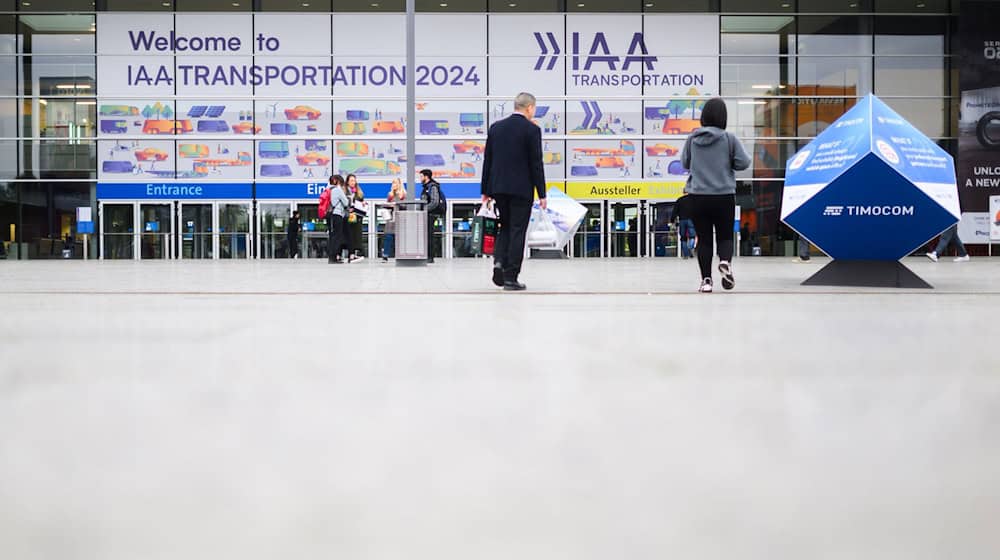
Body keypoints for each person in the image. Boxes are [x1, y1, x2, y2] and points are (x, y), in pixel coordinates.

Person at [681, 97, 751, 293]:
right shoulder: (729, 139)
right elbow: (744, 163)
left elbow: (685, 163)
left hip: (698, 196)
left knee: (704, 240)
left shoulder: (692, 139)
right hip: (723, 195)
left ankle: (706, 281)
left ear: (703, 116)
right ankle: (725, 262)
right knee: (725, 236)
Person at [480, 92, 547, 291]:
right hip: (521, 189)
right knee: (518, 230)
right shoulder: (532, 130)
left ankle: (499, 261)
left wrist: (485, 190)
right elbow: (536, 163)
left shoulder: (496, 128)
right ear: (530, 108)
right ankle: (511, 276)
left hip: (498, 187)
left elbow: (488, 160)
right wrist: (542, 193)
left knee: (505, 227)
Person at [419, 169, 445, 263]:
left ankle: (430, 256)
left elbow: (434, 202)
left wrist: (424, 210)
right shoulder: (426, 187)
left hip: (431, 214)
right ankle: (427, 255)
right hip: (428, 213)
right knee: (426, 235)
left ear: (426, 177)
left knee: (429, 235)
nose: (420, 178)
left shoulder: (432, 187)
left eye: (421, 176)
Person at [325, 175, 350, 264]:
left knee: (332, 236)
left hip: (329, 215)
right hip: (337, 214)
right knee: (337, 236)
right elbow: (346, 202)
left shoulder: (327, 189)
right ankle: (333, 257)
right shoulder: (337, 190)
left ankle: (331, 257)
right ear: (338, 182)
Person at [382, 178, 406, 262]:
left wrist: (397, 205)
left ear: (399, 184)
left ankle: (401, 254)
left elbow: (405, 206)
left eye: (395, 183)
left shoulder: (403, 194)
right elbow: (387, 204)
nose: (393, 185)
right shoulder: (390, 194)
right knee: (388, 236)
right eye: (393, 183)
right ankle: (385, 255)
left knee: (401, 237)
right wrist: (389, 205)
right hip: (391, 218)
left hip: (400, 218)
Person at [345, 174, 365, 262]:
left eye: (354, 180)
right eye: (351, 180)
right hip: (347, 215)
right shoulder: (344, 191)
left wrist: (363, 204)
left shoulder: (359, 192)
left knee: (356, 235)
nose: (353, 182)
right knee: (349, 235)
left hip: (357, 216)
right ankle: (350, 254)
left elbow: (361, 200)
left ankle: (354, 254)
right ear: (348, 182)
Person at [674, 190, 695, 259]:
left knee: (683, 238)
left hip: (682, 220)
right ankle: (690, 247)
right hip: (691, 220)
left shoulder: (679, 200)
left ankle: (686, 255)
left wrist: (672, 220)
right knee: (692, 236)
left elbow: (675, 211)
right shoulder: (693, 200)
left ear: (683, 192)